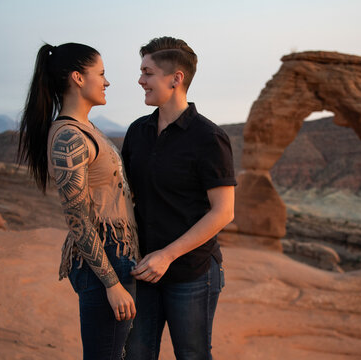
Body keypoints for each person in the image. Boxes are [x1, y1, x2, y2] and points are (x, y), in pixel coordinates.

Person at [18, 42, 140, 360]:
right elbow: (77, 216)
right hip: (104, 261)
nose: (107, 81)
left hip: (118, 255)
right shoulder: (69, 136)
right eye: (101, 73)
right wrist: (112, 283)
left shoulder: (87, 128)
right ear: (78, 77)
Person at [122, 36, 236, 360]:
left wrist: (167, 255)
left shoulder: (209, 137)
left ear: (176, 78)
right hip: (142, 269)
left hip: (192, 271)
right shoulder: (137, 132)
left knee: (192, 355)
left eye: (148, 72)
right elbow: (126, 196)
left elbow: (223, 212)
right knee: (136, 355)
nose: (140, 80)